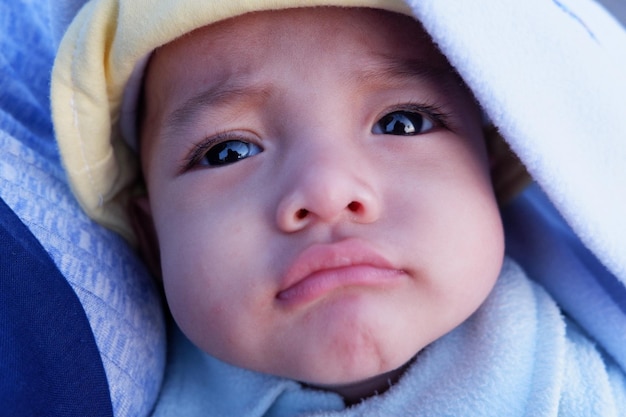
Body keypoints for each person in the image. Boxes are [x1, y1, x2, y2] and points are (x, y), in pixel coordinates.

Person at [51, 0, 626, 415]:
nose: (326, 192)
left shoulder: (566, 381)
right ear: (152, 241)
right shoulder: (110, 392)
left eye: (401, 122)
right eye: (228, 151)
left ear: (493, 170)